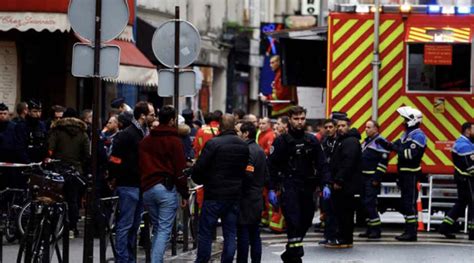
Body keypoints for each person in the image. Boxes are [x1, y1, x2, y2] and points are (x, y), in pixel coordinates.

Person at [268, 106, 329, 262]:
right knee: (293, 220)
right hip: (289, 185)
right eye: (296, 119)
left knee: (307, 219)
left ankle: (290, 252)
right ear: (290, 120)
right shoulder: (281, 141)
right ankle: (296, 257)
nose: (300, 122)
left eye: (302, 118)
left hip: (308, 186)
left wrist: (326, 184)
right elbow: (271, 167)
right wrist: (271, 188)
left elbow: (322, 164)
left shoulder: (312, 140)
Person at [189, 114, 249, 263]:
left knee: (206, 232)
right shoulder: (243, 145)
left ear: (220, 126)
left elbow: (200, 167)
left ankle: (202, 260)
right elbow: (244, 169)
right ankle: (227, 260)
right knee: (230, 233)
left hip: (213, 194)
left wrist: (200, 179)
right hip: (233, 195)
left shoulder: (214, 143)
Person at [139, 105, 189, 263]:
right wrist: (185, 193)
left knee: (158, 228)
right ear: (173, 120)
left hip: (148, 187)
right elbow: (180, 169)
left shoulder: (147, 140)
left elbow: (140, 163)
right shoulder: (174, 141)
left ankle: (154, 259)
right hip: (165, 188)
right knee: (163, 230)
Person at [108, 101, 154, 263]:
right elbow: (115, 159)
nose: (154, 117)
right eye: (151, 114)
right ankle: (123, 259)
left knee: (134, 225)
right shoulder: (128, 134)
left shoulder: (145, 133)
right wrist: (114, 178)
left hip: (140, 184)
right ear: (142, 116)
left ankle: (130, 258)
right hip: (128, 184)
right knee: (125, 225)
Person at [378, 106, 427, 242]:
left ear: (412, 120)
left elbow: (409, 154)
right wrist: (383, 143)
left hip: (411, 174)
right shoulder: (407, 135)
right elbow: (395, 146)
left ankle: (411, 233)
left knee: (409, 203)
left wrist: (396, 148)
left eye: (405, 119)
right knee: (405, 203)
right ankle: (408, 230)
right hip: (404, 174)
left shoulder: (419, 135)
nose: (403, 122)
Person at [48, 116, 91, 238]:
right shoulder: (83, 134)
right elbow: (87, 154)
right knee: (73, 200)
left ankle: (55, 225)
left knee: (56, 198)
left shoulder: (57, 131)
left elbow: (50, 149)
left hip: (58, 168)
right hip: (75, 170)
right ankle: (72, 227)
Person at [325, 117, 361, 249]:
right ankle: (343, 238)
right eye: (338, 126)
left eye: (343, 126)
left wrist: (339, 180)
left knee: (345, 213)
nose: (340, 128)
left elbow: (347, 163)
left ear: (349, 126)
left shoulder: (350, 142)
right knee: (342, 212)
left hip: (346, 185)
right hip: (344, 184)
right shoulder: (343, 141)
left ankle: (344, 239)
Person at [235, 121, 267, 263]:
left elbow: (248, 174)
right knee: (255, 233)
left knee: (243, 233)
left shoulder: (248, 150)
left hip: (247, 197)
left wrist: (240, 188)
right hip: (257, 196)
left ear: (246, 133)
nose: (238, 135)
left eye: (239, 132)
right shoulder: (259, 149)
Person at [439, 122, 474, 240]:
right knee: (472, 204)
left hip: (463, 178)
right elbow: (470, 166)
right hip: (468, 179)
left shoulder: (464, 143)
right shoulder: (465, 145)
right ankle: (472, 231)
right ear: (467, 131)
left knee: (461, 204)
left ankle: (445, 226)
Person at [359, 120, 389, 239]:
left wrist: (377, 178)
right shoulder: (368, 141)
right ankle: (370, 228)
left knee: (370, 204)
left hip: (372, 178)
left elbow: (383, 162)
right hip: (364, 177)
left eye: (369, 127)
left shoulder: (380, 142)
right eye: (365, 127)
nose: (366, 129)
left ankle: (376, 230)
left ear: (376, 129)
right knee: (365, 204)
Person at [317, 119, 337, 243]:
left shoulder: (338, 142)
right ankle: (328, 236)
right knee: (326, 210)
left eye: (331, 127)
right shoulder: (324, 142)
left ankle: (334, 236)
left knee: (334, 211)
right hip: (325, 181)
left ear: (335, 127)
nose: (328, 129)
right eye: (326, 127)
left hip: (335, 181)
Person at [0, 103, 28, 189]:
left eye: (5, 113)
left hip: (11, 162)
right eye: (0, 114)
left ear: (8, 114)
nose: (2, 116)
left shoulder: (14, 127)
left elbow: (19, 145)